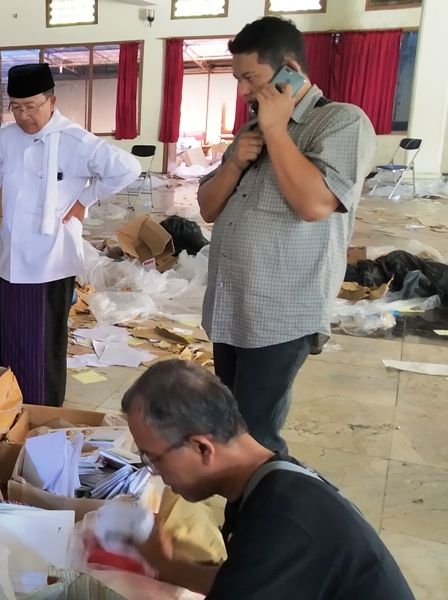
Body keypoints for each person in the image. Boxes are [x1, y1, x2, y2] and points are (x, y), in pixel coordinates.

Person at [197, 17, 377, 454]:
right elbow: (207, 207)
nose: (242, 91)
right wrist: (235, 163)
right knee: (229, 430)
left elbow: (315, 204)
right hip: (231, 307)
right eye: (238, 78)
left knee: (255, 438)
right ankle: (240, 517)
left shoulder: (340, 122)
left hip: (280, 313)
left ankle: (265, 517)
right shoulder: (250, 131)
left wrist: (278, 131)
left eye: (250, 78)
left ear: (289, 69)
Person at [123, 360, 414, 600]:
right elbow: (238, 579)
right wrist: (164, 563)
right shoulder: (271, 481)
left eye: (153, 458)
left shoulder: (278, 523)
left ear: (202, 447)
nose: (153, 472)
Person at [0, 64, 141, 407]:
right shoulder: (6, 137)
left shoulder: (75, 140)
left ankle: (39, 413)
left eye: (31, 106)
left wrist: (84, 200)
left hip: (49, 260)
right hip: (8, 258)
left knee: (40, 346)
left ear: (52, 101)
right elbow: (0, 168)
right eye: (15, 107)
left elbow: (128, 168)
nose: (23, 115)